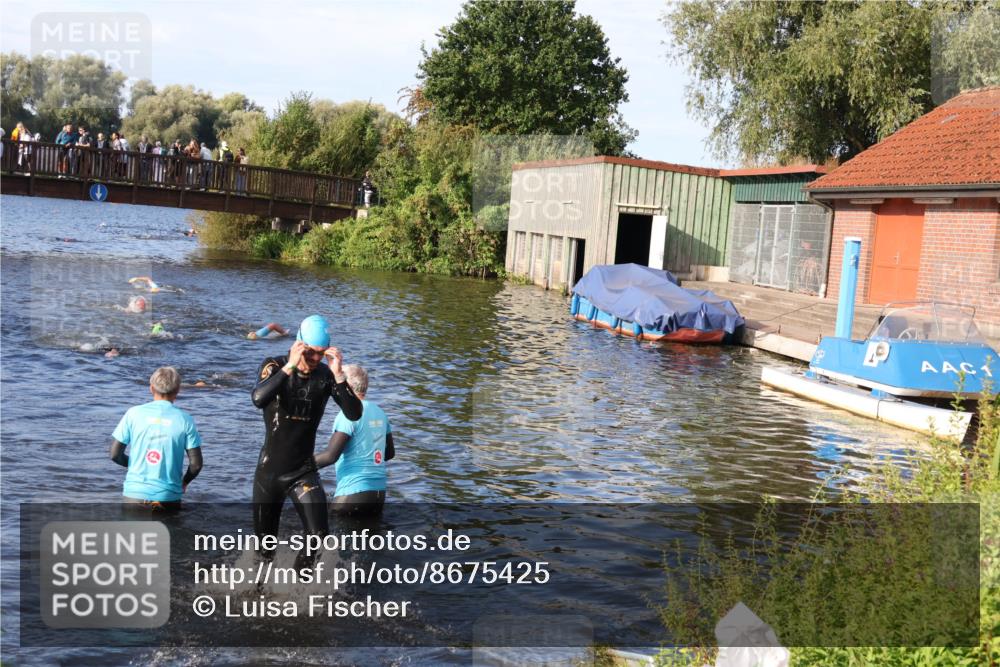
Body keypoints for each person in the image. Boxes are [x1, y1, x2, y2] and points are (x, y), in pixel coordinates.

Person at [250, 315, 362, 567]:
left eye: (320, 354)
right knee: (264, 552)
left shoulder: (326, 375)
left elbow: (354, 413)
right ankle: (256, 595)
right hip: (269, 473)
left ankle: (298, 591)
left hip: (302, 471)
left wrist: (339, 375)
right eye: (310, 353)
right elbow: (258, 398)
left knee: (319, 537)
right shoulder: (274, 365)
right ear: (298, 344)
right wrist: (289, 366)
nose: (314, 360)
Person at [280, 365, 394, 516]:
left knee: (319, 534)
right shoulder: (380, 412)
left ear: (346, 387)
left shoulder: (348, 415)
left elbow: (331, 456)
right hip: (378, 495)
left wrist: (295, 468)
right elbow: (389, 453)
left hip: (352, 494)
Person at [109, 366, 203, 510]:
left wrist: (134, 464)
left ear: (151, 388)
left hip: (134, 494)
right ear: (178, 391)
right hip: (168, 497)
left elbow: (115, 454)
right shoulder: (185, 419)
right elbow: (196, 465)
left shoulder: (133, 414)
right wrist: (184, 482)